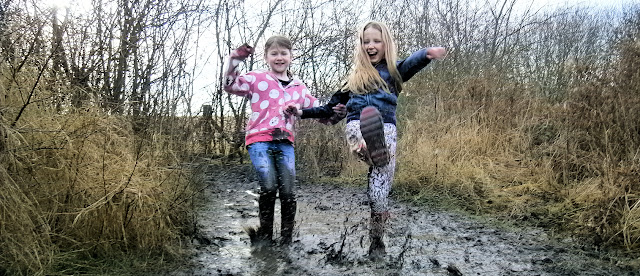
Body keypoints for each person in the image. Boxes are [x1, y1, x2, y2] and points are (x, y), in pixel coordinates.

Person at [286, 21, 447, 260]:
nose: (370, 45)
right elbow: (330, 107)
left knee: (377, 194)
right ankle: (364, 148)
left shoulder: (394, 71)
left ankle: (377, 242)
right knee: (356, 128)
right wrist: (301, 112)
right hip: (358, 124)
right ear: (360, 46)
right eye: (365, 41)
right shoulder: (352, 78)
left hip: (386, 130)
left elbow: (412, 62)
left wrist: (427, 54)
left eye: (376, 41)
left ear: (386, 44)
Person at [223, 35, 324, 247]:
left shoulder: (299, 87)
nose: (279, 58)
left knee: (288, 191)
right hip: (259, 140)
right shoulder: (257, 79)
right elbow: (230, 85)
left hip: (285, 142)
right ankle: (265, 238)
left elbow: (319, 110)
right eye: (274, 54)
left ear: (291, 56)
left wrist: (339, 109)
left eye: (283, 53)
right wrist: (235, 60)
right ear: (266, 57)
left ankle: (286, 239)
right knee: (269, 186)